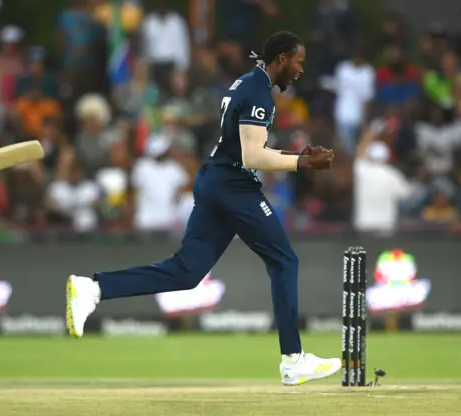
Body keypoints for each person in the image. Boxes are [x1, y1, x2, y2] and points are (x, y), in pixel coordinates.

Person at [66, 31, 340, 386]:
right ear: (283, 59)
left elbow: (246, 149)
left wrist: (297, 158)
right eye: (299, 62)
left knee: (186, 271)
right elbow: (252, 155)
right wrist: (301, 163)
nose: (301, 71)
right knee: (284, 259)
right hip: (233, 187)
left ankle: (94, 289)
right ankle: (293, 359)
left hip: (216, 181)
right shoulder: (259, 92)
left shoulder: (247, 82)